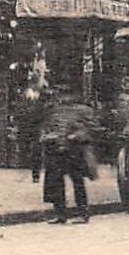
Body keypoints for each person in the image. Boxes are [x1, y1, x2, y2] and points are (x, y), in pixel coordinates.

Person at [39, 89, 97, 224]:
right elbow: (47, 128)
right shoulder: (54, 111)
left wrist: (76, 135)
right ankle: (60, 214)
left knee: (77, 181)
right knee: (56, 182)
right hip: (55, 150)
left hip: (73, 150)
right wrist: (46, 136)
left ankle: (83, 213)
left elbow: (90, 128)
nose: (63, 99)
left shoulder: (81, 111)